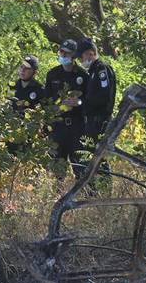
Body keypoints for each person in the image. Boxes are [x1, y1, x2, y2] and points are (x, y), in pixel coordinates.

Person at [44, 39, 89, 178]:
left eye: (66, 53)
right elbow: (46, 101)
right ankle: (59, 197)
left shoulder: (83, 76)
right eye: (61, 51)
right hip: (58, 127)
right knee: (57, 170)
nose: (62, 55)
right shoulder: (52, 74)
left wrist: (78, 103)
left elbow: (89, 102)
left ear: (74, 56)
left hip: (77, 127)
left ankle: (86, 197)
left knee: (81, 167)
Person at [77, 37, 116, 191]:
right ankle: (92, 190)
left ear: (91, 53)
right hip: (92, 121)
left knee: (99, 156)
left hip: (100, 121)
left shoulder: (101, 70)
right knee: (90, 156)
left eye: (82, 56)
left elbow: (103, 96)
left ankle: (105, 189)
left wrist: (82, 103)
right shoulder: (93, 72)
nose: (81, 60)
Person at [6, 54, 43, 154]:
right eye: (22, 67)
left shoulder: (39, 89)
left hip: (28, 135)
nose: (23, 70)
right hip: (10, 132)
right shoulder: (12, 86)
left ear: (34, 72)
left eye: (27, 68)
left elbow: (41, 115)